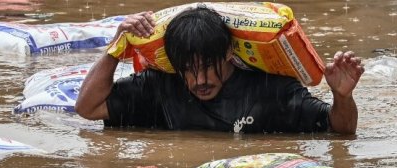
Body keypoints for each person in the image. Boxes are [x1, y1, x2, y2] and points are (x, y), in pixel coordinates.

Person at [75, 6, 364, 134]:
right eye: (188, 70)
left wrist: (342, 97)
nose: (199, 80)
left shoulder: (270, 91)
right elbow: (88, 107)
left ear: (229, 53)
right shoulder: (159, 87)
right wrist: (116, 47)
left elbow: (340, 131)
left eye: (207, 67)